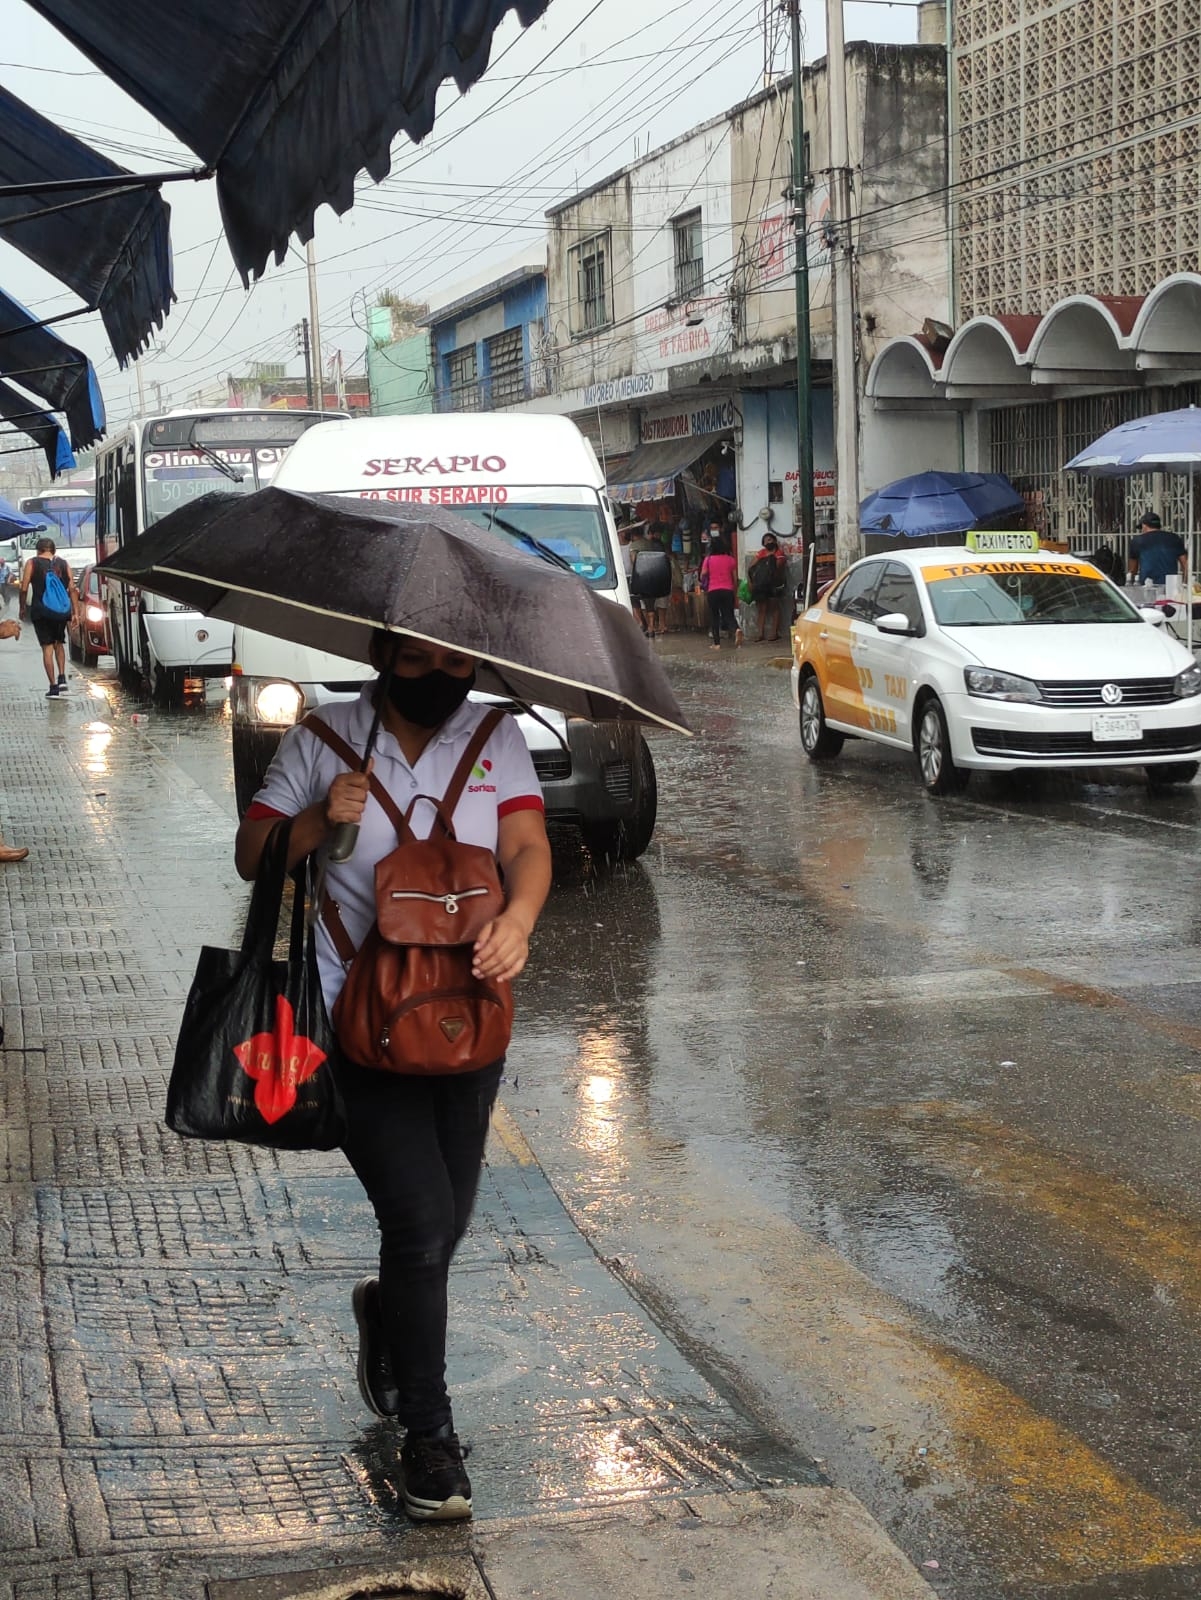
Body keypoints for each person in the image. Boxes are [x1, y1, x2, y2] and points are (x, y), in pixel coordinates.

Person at [234, 632, 552, 1522]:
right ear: (381, 655)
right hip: (353, 1025)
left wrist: (520, 920)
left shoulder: (495, 738)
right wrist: (315, 822)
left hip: (467, 1020)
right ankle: (429, 1438)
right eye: (416, 663)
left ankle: (386, 1310)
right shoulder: (325, 736)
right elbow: (249, 853)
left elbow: (526, 847)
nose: (439, 682)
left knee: (445, 1225)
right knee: (417, 1224)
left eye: (457, 665)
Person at [19, 537, 77, 696]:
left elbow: (23, 588)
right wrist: (75, 612)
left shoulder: (32, 563)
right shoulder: (64, 564)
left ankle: (53, 687)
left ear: (38, 550)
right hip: (60, 612)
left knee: (47, 649)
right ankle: (62, 678)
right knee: (59, 643)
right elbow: (72, 589)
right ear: (54, 550)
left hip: (41, 611)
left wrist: (22, 607)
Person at [700, 534, 739, 649]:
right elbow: (735, 578)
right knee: (728, 614)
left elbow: (703, 575)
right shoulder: (730, 560)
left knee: (714, 616)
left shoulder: (708, 560)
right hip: (727, 590)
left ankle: (716, 644)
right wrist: (734, 591)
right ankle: (736, 629)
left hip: (713, 591)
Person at [748, 531, 787, 642]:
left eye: (770, 540)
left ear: (774, 541)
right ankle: (760, 633)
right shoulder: (761, 553)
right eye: (765, 541)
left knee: (774, 608)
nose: (768, 542)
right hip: (761, 585)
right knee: (762, 609)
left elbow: (778, 566)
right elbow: (752, 567)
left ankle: (774, 633)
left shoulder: (779, 553)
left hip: (775, 584)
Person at [1128, 511, 1187, 586]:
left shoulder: (1137, 541)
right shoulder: (1174, 538)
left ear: (1144, 526)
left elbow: (1132, 570)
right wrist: (1185, 584)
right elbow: (1185, 565)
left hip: (1147, 586)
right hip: (1170, 586)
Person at [629, 522, 663, 638]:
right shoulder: (650, 543)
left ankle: (644, 625)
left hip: (640, 577)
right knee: (650, 604)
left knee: (637, 601)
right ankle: (651, 627)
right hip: (652, 576)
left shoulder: (633, 546)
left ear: (633, 535)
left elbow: (634, 561)